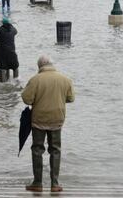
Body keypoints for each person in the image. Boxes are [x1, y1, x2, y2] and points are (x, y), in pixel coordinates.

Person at [21, 56, 75, 193]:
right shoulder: (65, 79)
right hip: (57, 119)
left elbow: (26, 99)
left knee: (37, 149)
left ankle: (38, 183)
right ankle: (55, 183)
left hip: (39, 119)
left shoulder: (35, 80)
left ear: (39, 66)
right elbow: (71, 98)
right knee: (55, 150)